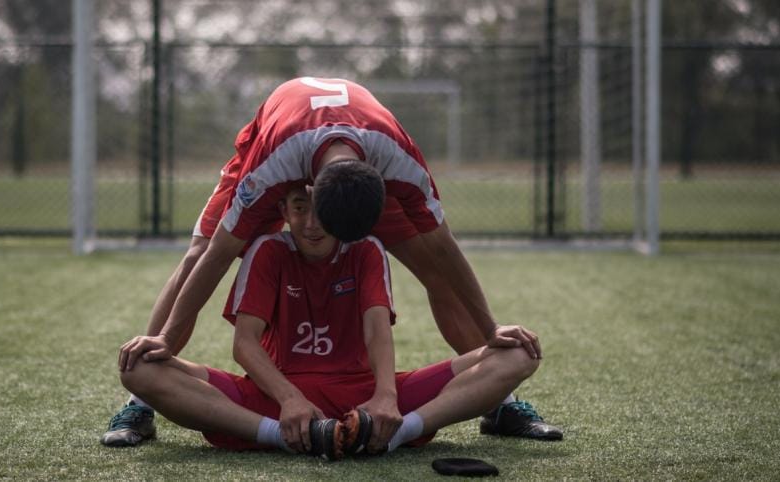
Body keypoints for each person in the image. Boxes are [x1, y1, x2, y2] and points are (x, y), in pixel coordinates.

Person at [102, 77, 561, 446]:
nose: (314, 231)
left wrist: (491, 329)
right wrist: (166, 338)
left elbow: (444, 246)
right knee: (198, 253)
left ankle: (499, 403)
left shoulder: (399, 161)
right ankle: (140, 404)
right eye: (306, 215)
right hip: (281, 139)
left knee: (437, 273)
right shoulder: (273, 168)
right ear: (308, 194)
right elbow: (220, 253)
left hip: (356, 157)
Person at [117, 187, 542, 458]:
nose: (312, 223)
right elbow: (244, 344)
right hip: (276, 399)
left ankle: (395, 433)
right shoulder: (268, 250)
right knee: (139, 369)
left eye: (322, 210)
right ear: (284, 210)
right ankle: (278, 435)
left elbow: (377, 330)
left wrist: (386, 399)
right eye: (300, 208)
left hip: (367, 398)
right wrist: (290, 401)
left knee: (519, 354)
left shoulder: (366, 249)